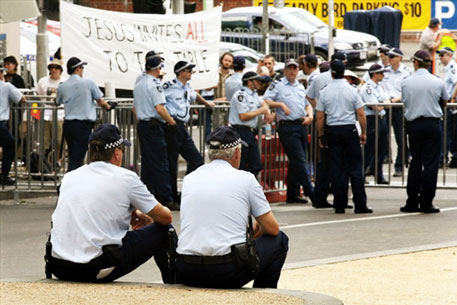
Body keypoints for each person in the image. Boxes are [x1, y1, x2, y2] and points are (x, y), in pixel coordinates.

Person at [49, 124, 173, 282]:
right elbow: (166, 217)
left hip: (59, 267)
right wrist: (146, 217)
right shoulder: (126, 178)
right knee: (165, 232)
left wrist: (128, 212)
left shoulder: (70, 176)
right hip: (95, 268)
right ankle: (173, 285)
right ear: (116, 153)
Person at [176, 126, 288, 288]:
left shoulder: (190, 178)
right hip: (226, 271)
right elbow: (272, 229)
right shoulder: (246, 179)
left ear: (210, 153)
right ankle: (264, 295)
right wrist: (254, 228)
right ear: (237, 153)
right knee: (280, 240)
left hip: (187, 269)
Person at [316, 60, 372, 214]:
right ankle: (360, 204)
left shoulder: (325, 92)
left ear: (332, 73)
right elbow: (361, 114)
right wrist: (364, 132)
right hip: (349, 129)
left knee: (337, 168)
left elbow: (320, 117)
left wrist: (321, 135)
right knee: (355, 168)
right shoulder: (352, 90)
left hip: (333, 130)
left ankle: (339, 204)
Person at [400, 50, 449, 213]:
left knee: (415, 162)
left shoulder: (406, 82)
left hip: (414, 124)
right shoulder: (437, 82)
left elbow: (406, 101)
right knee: (430, 164)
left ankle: (412, 200)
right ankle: (427, 202)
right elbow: (444, 101)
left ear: (415, 63)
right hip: (432, 123)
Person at [263, 59, 315, 205]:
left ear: (298, 70)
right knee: (300, 160)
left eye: (294, 69)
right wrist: (279, 104)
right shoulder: (278, 85)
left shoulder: (300, 86)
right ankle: (312, 193)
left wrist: (310, 116)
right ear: (284, 70)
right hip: (287, 126)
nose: (292, 71)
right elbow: (265, 100)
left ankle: (292, 194)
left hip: (301, 125)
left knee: (296, 161)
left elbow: (307, 104)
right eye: (289, 69)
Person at [163, 61, 215, 203]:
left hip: (182, 127)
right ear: (180, 72)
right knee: (172, 163)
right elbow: (158, 101)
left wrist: (207, 104)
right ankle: (171, 196)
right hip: (172, 125)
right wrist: (168, 119)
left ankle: (186, 190)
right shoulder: (169, 86)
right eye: (188, 70)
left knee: (196, 159)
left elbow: (195, 96)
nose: (191, 72)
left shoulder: (186, 87)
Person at [134, 56, 180, 211]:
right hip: (153, 126)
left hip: (143, 125)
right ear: (157, 69)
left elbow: (135, 108)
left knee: (148, 163)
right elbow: (160, 108)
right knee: (161, 163)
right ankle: (165, 198)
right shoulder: (154, 84)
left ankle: (145, 195)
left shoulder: (139, 82)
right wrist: (172, 122)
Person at [305, 52, 349, 209]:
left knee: (324, 162)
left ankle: (322, 196)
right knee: (338, 163)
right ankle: (339, 198)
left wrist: (319, 108)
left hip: (325, 121)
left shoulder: (319, 78)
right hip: (339, 122)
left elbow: (309, 96)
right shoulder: (343, 79)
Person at [56, 57, 111, 172]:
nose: (82, 70)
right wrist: (108, 106)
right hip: (83, 125)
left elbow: (58, 101)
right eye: (82, 67)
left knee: (73, 156)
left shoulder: (62, 86)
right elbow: (100, 101)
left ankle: (73, 184)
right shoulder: (88, 83)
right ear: (77, 69)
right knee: (77, 158)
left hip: (68, 124)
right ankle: (65, 186)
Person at [229, 71, 272, 177]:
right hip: (240, 131)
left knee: (256, 165)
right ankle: (240, 188)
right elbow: (243, 116)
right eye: (257, 81)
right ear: (249, 82)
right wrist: (261, 111)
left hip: (250, 132)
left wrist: (267, 111)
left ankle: (245, 185)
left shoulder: (254, 94)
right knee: (241, 164)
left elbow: (263, 104)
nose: (259, 83)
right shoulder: (241, 95)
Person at [383, 48, 412, 177]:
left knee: (400, 138)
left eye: (392, 57)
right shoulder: (384, 72)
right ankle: (375, 166)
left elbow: (408, 90)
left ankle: (399, 166)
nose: (390, 59)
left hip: (399, 107)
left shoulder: (407, 72)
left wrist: (396, 99)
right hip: (385, 106)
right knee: (382, 136)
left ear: (399, 58)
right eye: (389, 57)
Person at [360, 64, 391, 184]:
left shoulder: (380, 87)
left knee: (382, 148)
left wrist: (384, 103)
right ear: (374, 74)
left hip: (382, 118)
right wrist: (384, 103)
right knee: (369, 148)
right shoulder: (367, 88)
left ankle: (378, 174)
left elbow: (387, 101)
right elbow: (375, 106)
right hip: (372, 119)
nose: (383, 75)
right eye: (381, 73)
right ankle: (361, 174)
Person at [36, 58, 67, 161]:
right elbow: (37, 96)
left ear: (60, 70)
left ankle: (58, 162)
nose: (54, 70)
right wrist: (35, 114)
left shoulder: (65, 82)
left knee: (59, 141)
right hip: (45, 115)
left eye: (56, 68)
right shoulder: (43, 81)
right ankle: (44, 163)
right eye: (52, 67)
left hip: (60, 116)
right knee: (44, 142)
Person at [0, 65, 26, 185]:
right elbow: (22, 99)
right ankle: (4, 175)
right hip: (1, 122)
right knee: (10, 145)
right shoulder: (6, 86)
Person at [437, 47, 457, 168]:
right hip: (450, 101)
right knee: (450, 132)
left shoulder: (452, 67)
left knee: (446, 132)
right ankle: (453, 157)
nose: (440, 58)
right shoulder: (449, 68)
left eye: (442, 55)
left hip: (451, 102)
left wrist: (453, 99)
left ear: (449, 55)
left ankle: (442, 157)